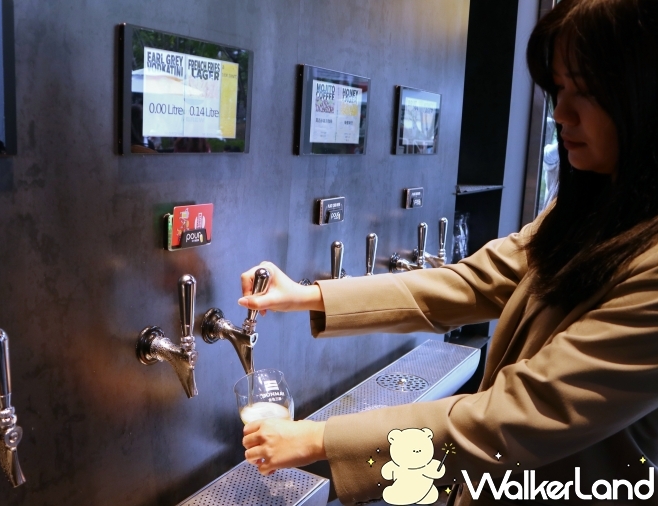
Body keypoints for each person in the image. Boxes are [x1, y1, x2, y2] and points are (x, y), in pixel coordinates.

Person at [236, 0, 658, 504]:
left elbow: (516, 417)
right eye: (558, 89)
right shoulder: (594, 205)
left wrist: (316, 439)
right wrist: (306, 295)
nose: (561, 113)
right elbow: (471, 281)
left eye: (583, 92)